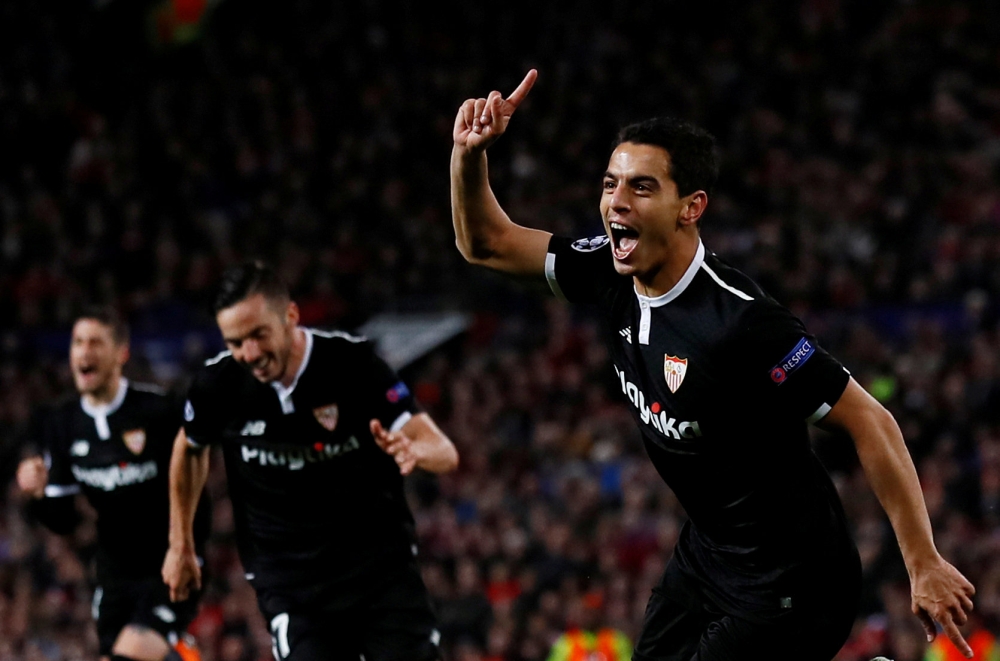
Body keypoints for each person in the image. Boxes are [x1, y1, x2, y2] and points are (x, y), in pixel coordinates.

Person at [450, 69, 976, 661]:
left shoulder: (743, 323)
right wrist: (469, 156)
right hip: (707, 557)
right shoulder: (606, 269)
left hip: (794, 582)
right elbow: (486, 244)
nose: (616, 202)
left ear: (691, 206)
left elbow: (869, 420)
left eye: (642, 187)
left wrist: (923, 560)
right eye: (610, 183)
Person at [161, 261, 459, 661]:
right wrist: (180, 545)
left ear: (291, 316)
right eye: (234, 342)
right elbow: (189, 448)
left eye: (258, 335)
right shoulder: (218, 386)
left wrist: (418, 450)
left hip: (379, 572)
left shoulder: (352, 365)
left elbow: (444, 450)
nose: (249, 353)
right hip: (290, 585)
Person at [15, 307, 210, 661]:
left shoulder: (158, 410)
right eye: (77, 342)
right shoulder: (61, 422)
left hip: (167, 564)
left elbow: (197, 487)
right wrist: (38, 493)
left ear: (121, 353)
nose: (84, 352)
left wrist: (187, 550)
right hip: (113, 575)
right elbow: (62, 521)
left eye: (95, 342)